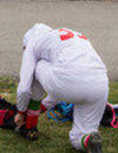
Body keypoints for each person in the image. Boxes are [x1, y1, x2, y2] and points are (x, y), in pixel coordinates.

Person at [14, 23, 108, 152]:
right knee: (78, 137)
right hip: (100, 84)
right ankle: (89, 139)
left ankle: (30, 124)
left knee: (37, 66)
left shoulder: (33, 43)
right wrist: (44, 106)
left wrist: (20, 111)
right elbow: (62, 80)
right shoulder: (72, 34)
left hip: (68, 83)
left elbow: (24, 89)